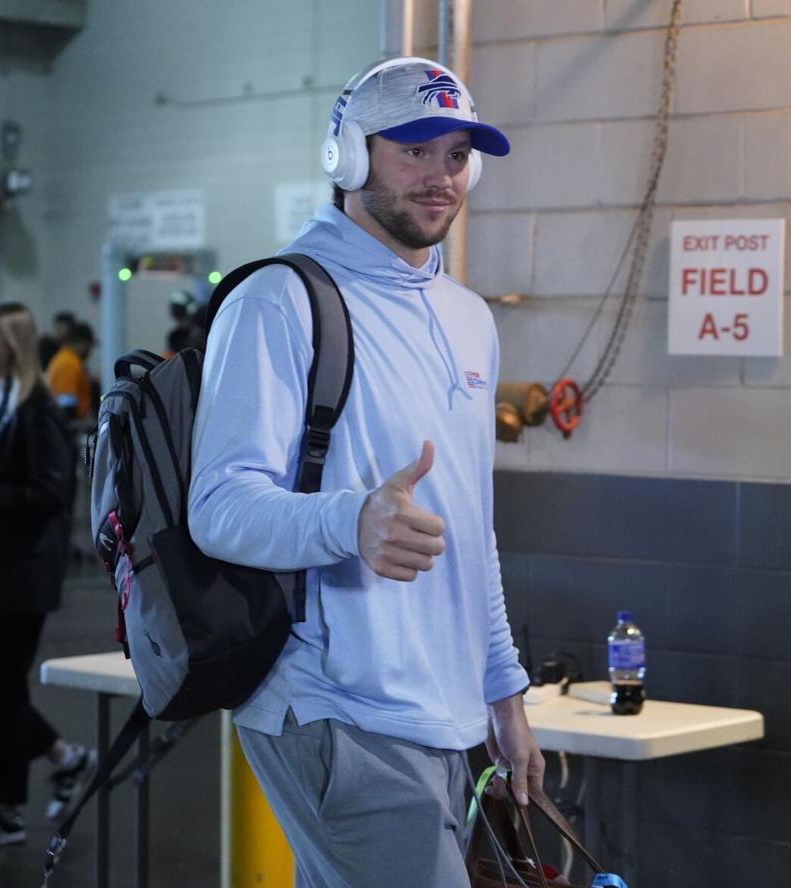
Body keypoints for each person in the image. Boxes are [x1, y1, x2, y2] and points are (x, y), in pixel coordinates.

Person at [188, 57, 542, 886]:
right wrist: (351, 522)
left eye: (457, 154)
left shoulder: (466, 318)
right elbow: (219, 506)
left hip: (442, 712)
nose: (440, 176)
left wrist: (503, 692)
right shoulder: (280, 299)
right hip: (333, 704)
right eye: (414, 149)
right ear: (348, 155)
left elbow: (470, 529)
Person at [0, 301, 94, 848]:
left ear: (8, 346)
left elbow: (52, 494)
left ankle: (7, 809)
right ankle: (66, 757)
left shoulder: (35, 411)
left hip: (18, 573)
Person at [44, 320, 93, 421]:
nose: (90, 351)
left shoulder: (65, 358)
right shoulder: (68, 363)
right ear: (82, 342)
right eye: (89, 345)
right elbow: (66, 404)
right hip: (69, 427)